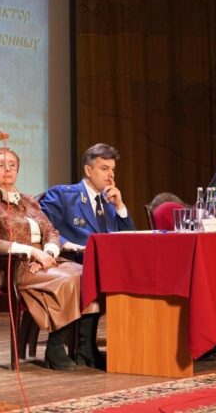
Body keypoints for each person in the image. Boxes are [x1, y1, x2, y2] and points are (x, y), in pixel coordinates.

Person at [0, 147, 101, 371]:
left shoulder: (28, 200)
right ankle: (55, 347)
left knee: (88, 274)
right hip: (13, 265)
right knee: (67, 279)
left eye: (12, 165)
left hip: (45, 260)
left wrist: (48, 253)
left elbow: (51, 231)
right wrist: (32, 253)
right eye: (0, 165)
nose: (7, 170)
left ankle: (85, 348)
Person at [39, 143, 135, 368]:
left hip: (101, 263)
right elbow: (44, 226)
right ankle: (77, 347)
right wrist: (68, 245)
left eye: (113, 169)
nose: (111, 175)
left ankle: (110, 347)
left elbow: (129, 238)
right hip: (70, 259)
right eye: (104, 169)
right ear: (88, 170)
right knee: (90, 272)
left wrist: (120, 206)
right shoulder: (63, 194)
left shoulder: (108, 202)